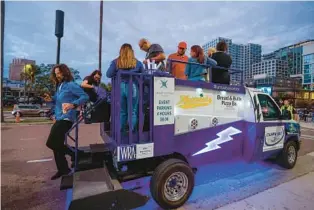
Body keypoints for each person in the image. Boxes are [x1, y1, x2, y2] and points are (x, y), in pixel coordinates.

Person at [45, 64, 89, 180]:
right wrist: (51, 99)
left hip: (67, 118)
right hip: (59, 117)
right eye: (55, 73)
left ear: (65, 72)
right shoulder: (60, 86)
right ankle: (63, 170)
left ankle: (76, 154)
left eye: (59, 73)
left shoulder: (71, 85)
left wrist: (73, 104)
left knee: (51, 143)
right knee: (56, 145)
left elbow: (84, 96)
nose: (57, 75)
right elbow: (57, 100)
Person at [106, 43, 144, 132]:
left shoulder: (116, 62)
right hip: (133, 87)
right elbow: (144, 75)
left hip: (120, 87)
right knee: (133, 111)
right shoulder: (137, 63)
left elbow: (108, 74)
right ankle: (131, 133)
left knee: (122, 112)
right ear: (132, 52)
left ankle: (121, 132)